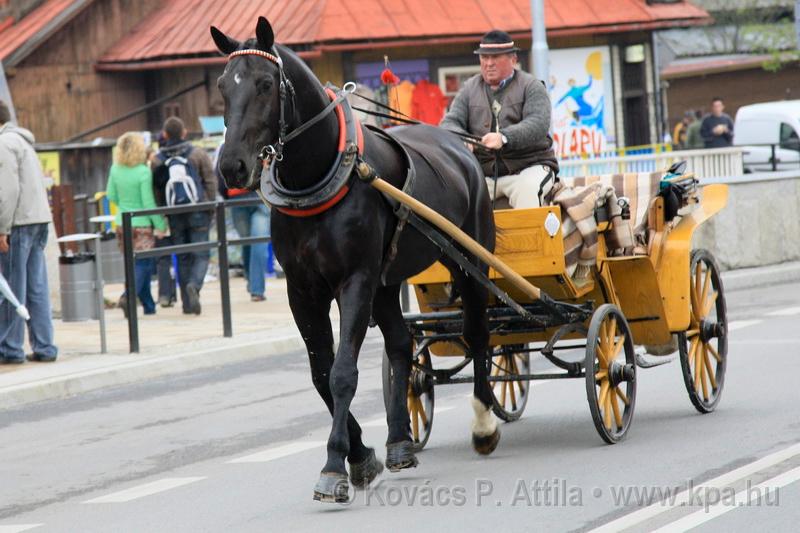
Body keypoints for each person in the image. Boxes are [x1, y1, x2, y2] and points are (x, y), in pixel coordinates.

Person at [440, 29, 559, 208]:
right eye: (484, 58)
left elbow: (538, 123)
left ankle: (526, 238)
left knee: (527, 190)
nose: (488, 63)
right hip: (484, 174)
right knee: (451, 196)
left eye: (495, 57)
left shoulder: (532, 86)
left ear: (513, 59)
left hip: (529, 168)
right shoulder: (469, 89)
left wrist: (504, 137)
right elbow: (449, 123)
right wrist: (462, 139)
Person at [0, 100, 58, 364]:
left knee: (12, 289)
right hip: (39, 219)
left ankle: (10, 348)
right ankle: (45, 346)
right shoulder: (23, 141)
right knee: (36, 286)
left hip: (18, 223)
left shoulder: (3, 144)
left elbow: (7, 191)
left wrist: (2, 227)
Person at [152, 117, 216, 315]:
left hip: (174, 213)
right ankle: (194, 286)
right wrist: (210, 207)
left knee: (183, 256)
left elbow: (156, 190)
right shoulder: (198, 153)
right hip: (198, 210)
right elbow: (210, 182)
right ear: (184, 133)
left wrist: (163, 212)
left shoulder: (157, 160)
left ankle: (188, 305)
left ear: (164, 135)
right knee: (202, 253)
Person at [106, 132, 167, 316]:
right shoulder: (143, 172)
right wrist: (160, 224)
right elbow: (148, 202)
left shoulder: (115, 169)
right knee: (144, 265)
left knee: (135, 266)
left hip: (121, 223)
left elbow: (111, 195)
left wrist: (124, 206)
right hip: (141, 224)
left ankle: (149, 305)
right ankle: (127, 297)